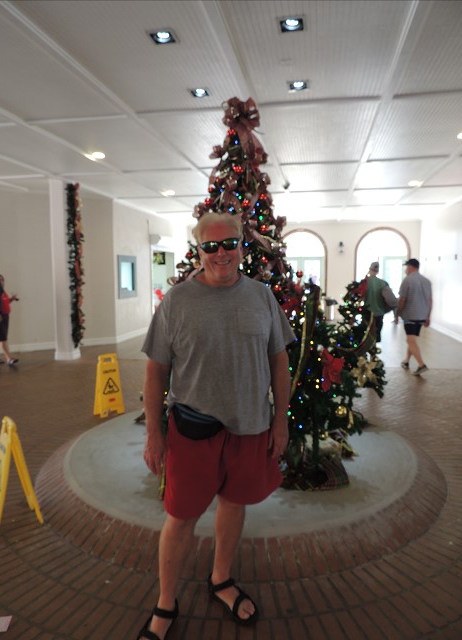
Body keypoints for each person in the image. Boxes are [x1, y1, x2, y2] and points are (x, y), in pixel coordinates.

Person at [140, 212, 294, 640]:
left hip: (250, 428)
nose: (221, 253)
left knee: (234, 504)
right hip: (193, 431)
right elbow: (155, 372)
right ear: (199, 250)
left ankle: (221, 579)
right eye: (210, 246)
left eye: (229, 243)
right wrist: (154, 433)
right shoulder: (177, 302)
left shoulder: (262, 296)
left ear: (243, 245)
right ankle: (166, 603)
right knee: (180, 517)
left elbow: (279, 361)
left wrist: (280, 420)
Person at [395, 258, 432, 376]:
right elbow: (430, 300)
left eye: (407, 267)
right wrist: (428, 316)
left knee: (410, 340)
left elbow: (402, 299)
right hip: (422, 315)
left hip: (410, 315)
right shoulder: (427, 281)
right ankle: (406, 361)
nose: (406, 270)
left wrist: (397, 313)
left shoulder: (407, 280)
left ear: (411, 267)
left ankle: (421, 365)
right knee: (412, 340)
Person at [364, 261, 397, 342]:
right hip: (379, 313)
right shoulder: (383, 283)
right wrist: (394, 313)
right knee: (377, 332)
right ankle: (375, 347)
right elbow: (391, 300)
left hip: (367, 312)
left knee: (367, 334)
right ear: (377, 271)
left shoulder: (365, 282)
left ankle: (368, 347)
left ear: (369, 270)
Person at [0, 273, 19, 366]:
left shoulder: (3, 291)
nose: (1, 281)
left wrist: (12, 299)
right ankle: (9, 359)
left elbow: (5, 302)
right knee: (3, 338)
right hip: (0, 316)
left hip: (5, 316)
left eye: (2, 279)